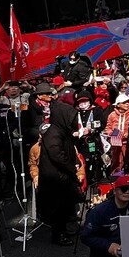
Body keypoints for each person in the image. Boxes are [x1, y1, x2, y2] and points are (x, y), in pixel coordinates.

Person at [34, 82, 84, 245]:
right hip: (55, 176)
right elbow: (57, 154)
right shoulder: (54, 132)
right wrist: (71, 167)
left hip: (61, 175)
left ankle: (66, 229)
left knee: (64, 205)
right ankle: (58, 235)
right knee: (58, 208)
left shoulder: (60, 129)